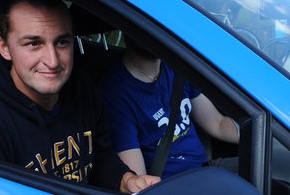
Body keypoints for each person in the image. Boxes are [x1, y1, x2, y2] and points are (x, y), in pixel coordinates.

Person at [0, 0, 159, 194]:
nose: (52, 61)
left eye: (62, 42)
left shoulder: (80, 88)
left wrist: (126, 180)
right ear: (4, 47)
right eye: (33, 44)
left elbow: (99, 156)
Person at [98, 39, 239, 179]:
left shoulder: (176, 66)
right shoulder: (115, 94)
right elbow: (139, 181)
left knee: (260, 167)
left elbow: (218, 124)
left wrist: (258, 136)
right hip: (172, 187)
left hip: (206, 169)